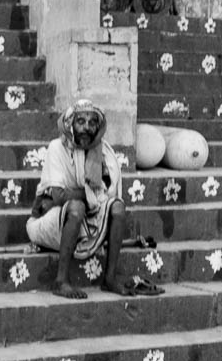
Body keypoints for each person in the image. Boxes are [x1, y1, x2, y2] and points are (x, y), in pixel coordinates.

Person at [27, 98, 163, 299]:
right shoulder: (57, 147)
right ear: (70, 124)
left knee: (117, 207)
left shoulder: (102, 150)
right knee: (76, 207)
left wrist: (85, 195)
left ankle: (109, 279)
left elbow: (107, 194)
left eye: (92, 123)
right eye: (81, 121)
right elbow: (57, 196)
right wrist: (90, 194)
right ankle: (61, 281)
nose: (86, 128)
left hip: (89, 219)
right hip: (49, 222)